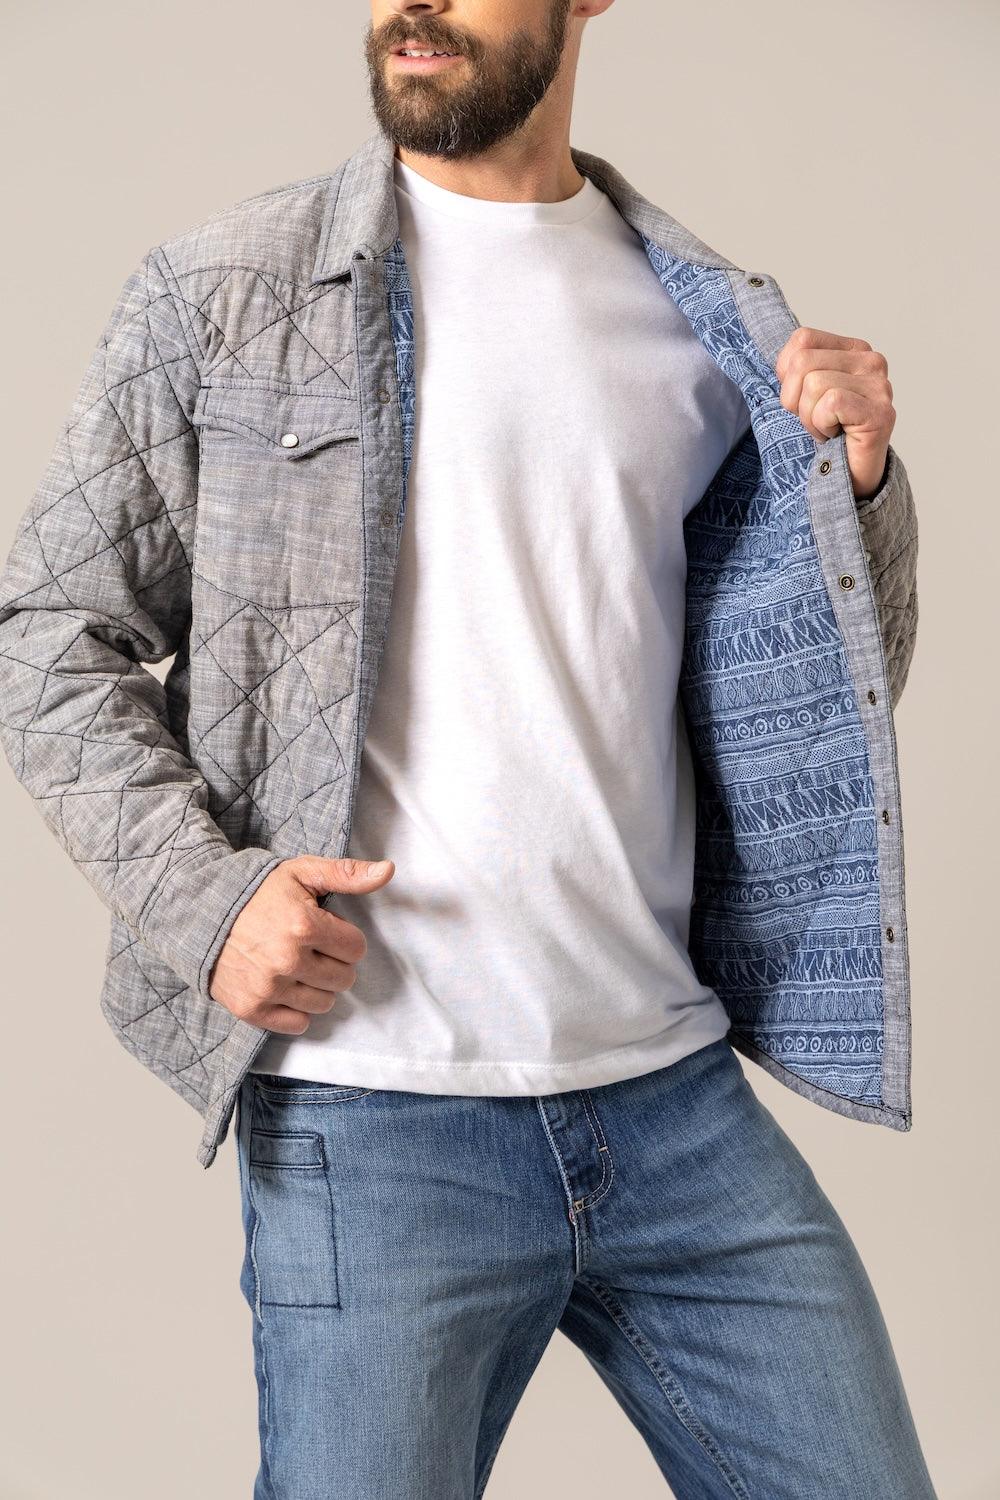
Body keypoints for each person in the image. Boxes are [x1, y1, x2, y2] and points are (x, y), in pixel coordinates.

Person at [0, 1, 937, 1495]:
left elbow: (832, 689)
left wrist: (864, 487)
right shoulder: (224, 293)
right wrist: (207, 902)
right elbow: (48, 634)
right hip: (375, 1116)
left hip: (674, 1096)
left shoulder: (711, 324)